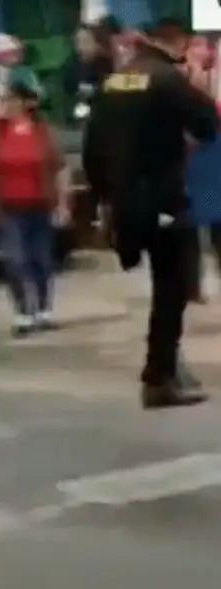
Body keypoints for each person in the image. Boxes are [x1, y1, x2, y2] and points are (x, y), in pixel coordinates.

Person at [83, 18, 219, 408]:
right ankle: (159, 376)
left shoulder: (115, 80)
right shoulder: (166, 79)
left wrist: (104, 198)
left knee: (165, 286)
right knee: (171, 290)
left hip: (125, 202)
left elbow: (94, 148)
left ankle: (164, 369)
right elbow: (207, 123)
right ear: (177, 43)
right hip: (164, 199)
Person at [0, 81, 70, 337]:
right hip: (8, 207)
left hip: (40, 205)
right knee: (14, 259)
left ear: (25, 103)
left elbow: (59, 167)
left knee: (41, 259)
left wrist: (62, 204)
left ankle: (43, 309)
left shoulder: (41, 132)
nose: (6, 106)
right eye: (3, 101)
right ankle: (22, 311)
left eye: (11, 100)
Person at [63, 24, 116, 121]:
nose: (80, 48)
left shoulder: (112, 64)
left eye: (86, 42)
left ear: (99, 43)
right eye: (77, 42)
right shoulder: (76, 64)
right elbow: (69, 86)